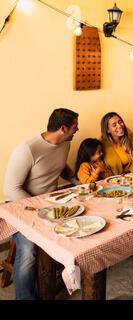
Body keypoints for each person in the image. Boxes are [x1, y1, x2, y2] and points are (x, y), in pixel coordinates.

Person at [3, 108, 79, 300]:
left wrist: (77, 181)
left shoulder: (65, 144)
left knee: (81, 225)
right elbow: (11, 189)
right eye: (74, 126)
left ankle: (66, 274)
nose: (77, 129)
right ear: (63, 128)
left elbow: (60, 167)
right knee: (29, 251)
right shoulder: (27, 149)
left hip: (50, 205)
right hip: (20, 207)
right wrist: (39, 208)